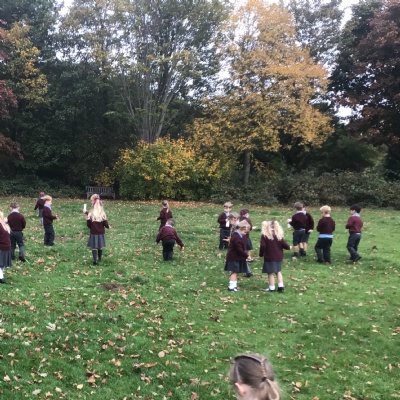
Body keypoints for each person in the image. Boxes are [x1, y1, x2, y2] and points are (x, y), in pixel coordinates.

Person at [259, 220, 291, 292]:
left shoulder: (265, 236)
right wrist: (289, 247)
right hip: (278, 256)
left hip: (269, 256)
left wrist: (261, 254)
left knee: (270, 272)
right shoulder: (278, 235)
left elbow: (263, 245)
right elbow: (285, 245)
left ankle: (272, 287)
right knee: (278, 271)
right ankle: (281, 286)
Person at [224, 220, 249, 292]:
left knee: (236, 271)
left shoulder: (240, 235)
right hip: (233, 257)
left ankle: (234, 285)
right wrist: (245, 255)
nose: (245, 234)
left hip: (237, 257)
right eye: (245, 232)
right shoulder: (236, 237)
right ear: (241, 229)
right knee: (234, 271)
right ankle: (231, 287)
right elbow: (239, 248)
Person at [86, 196, 110, 265]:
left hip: (93, 233)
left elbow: (88, 224)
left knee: (94, 247)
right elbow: (105, 223)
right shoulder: (102, 213)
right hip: (101, 233)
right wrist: (108, 226)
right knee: (100, 246)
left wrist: (91, 227)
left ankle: (95, 261)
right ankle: (99, 258)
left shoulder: (90, 213)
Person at [0, 211, 12, 284]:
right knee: (2, 263)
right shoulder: (6, 226)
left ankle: (1, 277)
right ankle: (1, 275)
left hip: (1, 247)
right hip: (7, 246)